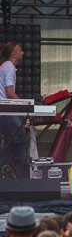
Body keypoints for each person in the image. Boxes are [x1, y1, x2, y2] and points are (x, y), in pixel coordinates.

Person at [0, 41, 28, 178]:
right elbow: (10, 92)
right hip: (6, 111)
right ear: (14, 54)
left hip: (4, 110)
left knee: (12, 141)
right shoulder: (9, 68)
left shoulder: (4, 66)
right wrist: (22, 103)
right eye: (20, 50)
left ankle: (4, 170)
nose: (23, 52)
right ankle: (19, 174)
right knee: (22, 140)